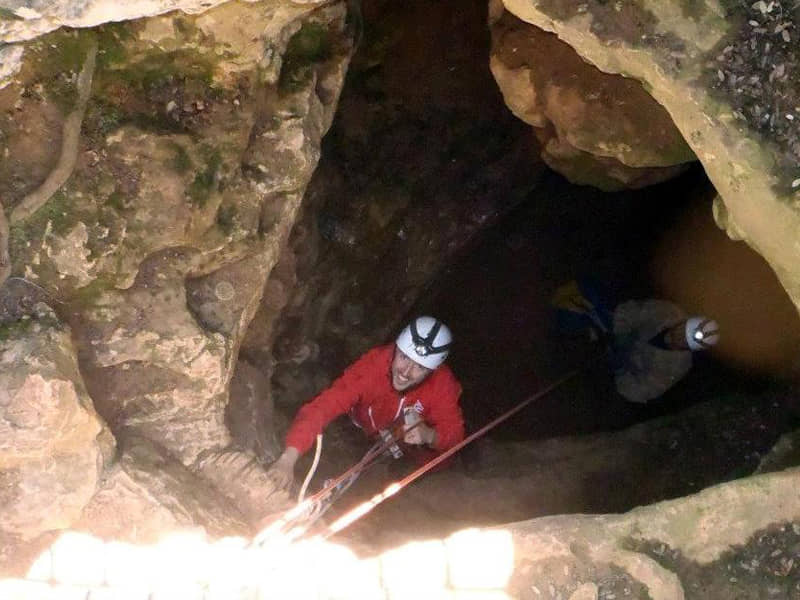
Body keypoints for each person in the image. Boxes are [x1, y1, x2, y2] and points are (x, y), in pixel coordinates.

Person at [267, 316, 465, 490]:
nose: (405, 372)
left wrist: (429, 435)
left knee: (433, 464)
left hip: (405, 451)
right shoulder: (373, 366)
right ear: (396, 349)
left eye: (419, 367)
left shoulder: (441, 386)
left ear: (431, 371)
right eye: (404, 357)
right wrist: (289, 457)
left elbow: (455, 437)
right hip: (361, 430)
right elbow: (325, 406)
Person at [610, 300, 719, 404]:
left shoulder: (677, 367)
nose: (680, 337)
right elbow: (627, 311)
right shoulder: (668, 312)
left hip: (617, 371)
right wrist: (620, 333)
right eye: (683, 329)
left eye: (686, 342)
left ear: (690, 349)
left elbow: (639, 392)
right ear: (685, 321)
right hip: (611, 333)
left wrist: (620, 374)